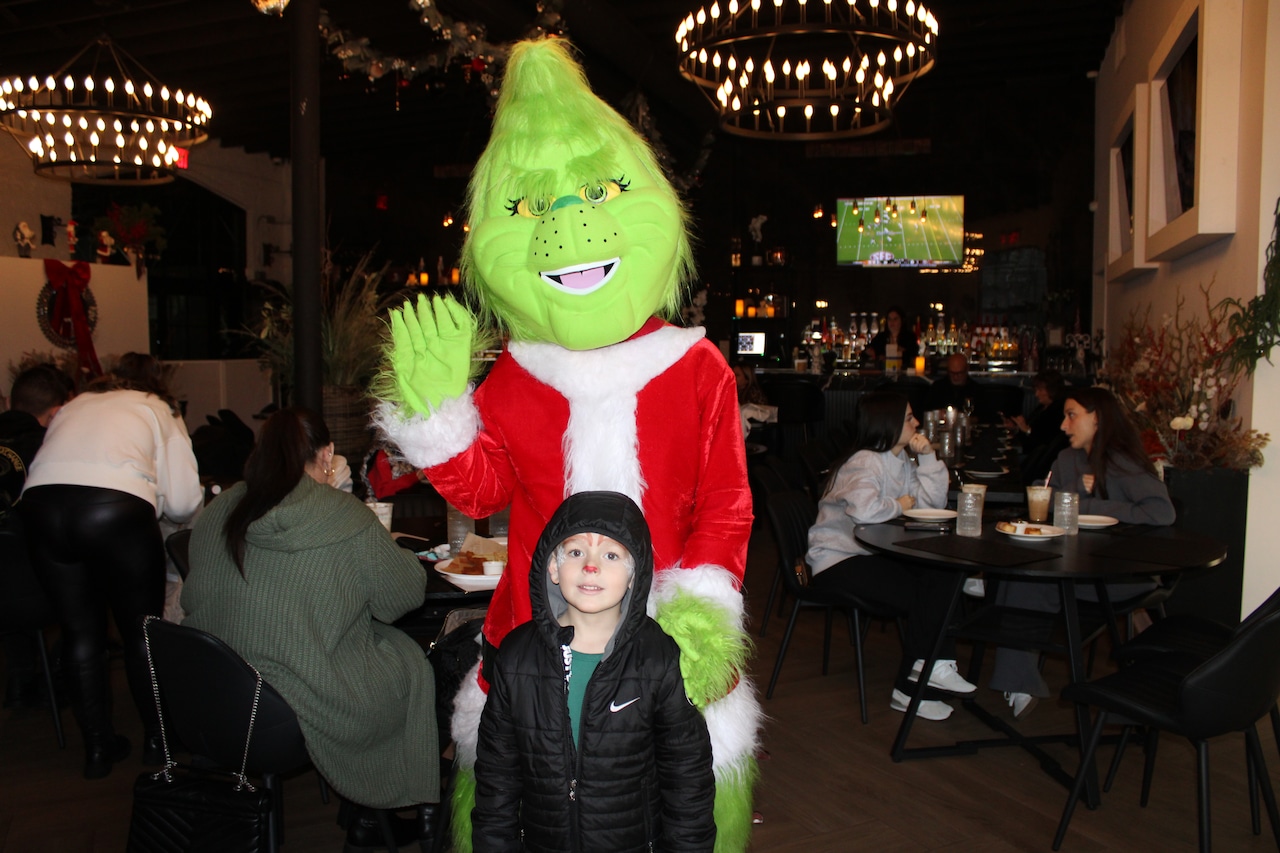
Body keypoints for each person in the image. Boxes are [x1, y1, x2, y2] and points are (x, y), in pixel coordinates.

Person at [182, 407, 441, 851]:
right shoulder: (344, 515)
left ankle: (368, 812)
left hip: (214, 697)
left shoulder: (218, 508)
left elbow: (193, 599)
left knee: (344, 640)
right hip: (295, 706)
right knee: (409, 660)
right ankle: (398, 811)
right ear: (328, 455)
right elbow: (402, 599)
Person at [473, 490, 715, 852]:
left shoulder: (658, 659)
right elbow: (497, 779)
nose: (591, 566)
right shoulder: (516, 658)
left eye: (611, 555)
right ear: (553, 567)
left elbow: (687, 781)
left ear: (635, 575)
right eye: (575, 552)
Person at [20, 353, 203, 779]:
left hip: (42, 507)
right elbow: (183, 501)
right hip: (113, 508)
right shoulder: (157, 407)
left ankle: (99, 749)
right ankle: (160, 741)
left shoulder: (77, 404)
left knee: (80, 631)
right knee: (142, 629)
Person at [990, 386, 1175, 718]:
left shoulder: (1121, 461)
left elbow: (1162, 512)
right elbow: (1056, 509)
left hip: (1119, 571)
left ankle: (1017, 679)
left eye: (1071, 415)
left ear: (1098, 418)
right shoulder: (1067, 459)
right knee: (1020, 572)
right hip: (1075, 563)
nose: (1063, 425)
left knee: (1027, 581)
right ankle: (1017, 678)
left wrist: (1096, 504)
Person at [806, 391, 977, 721]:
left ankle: (921, 676)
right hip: (837, 559)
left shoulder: (900, 460)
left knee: (942, 577)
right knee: (927, 594)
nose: (916, 423)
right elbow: (866, 511)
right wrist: (903, 504)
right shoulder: (866, 460)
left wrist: (927, 458)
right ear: (889, 423)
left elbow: (931, 505)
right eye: (909, 417)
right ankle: (918, 682)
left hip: (871, 554)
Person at [1, 364, 72, 708]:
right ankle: (56, 677)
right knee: (95, 581)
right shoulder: (54, 452)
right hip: (34, 596)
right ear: (58, 411)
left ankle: (19, 678)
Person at [1005, 370, 1068, 485]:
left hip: (1035, 463)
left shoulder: (1058, 412)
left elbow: (1044, 441)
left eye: (1040, 390)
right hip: (1030, 457)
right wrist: (1016, 428)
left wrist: (1026, 430)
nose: (1036, 394)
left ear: (1051, 390)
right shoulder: (1042, 408)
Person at [923, 353, 993, 421]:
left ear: (966, 370)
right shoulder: (937, 388)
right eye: (952, 373)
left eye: (959, 373)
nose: (955, 377)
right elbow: (926, 413)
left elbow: (987, 417)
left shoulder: (977, 390)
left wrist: (966, 419)